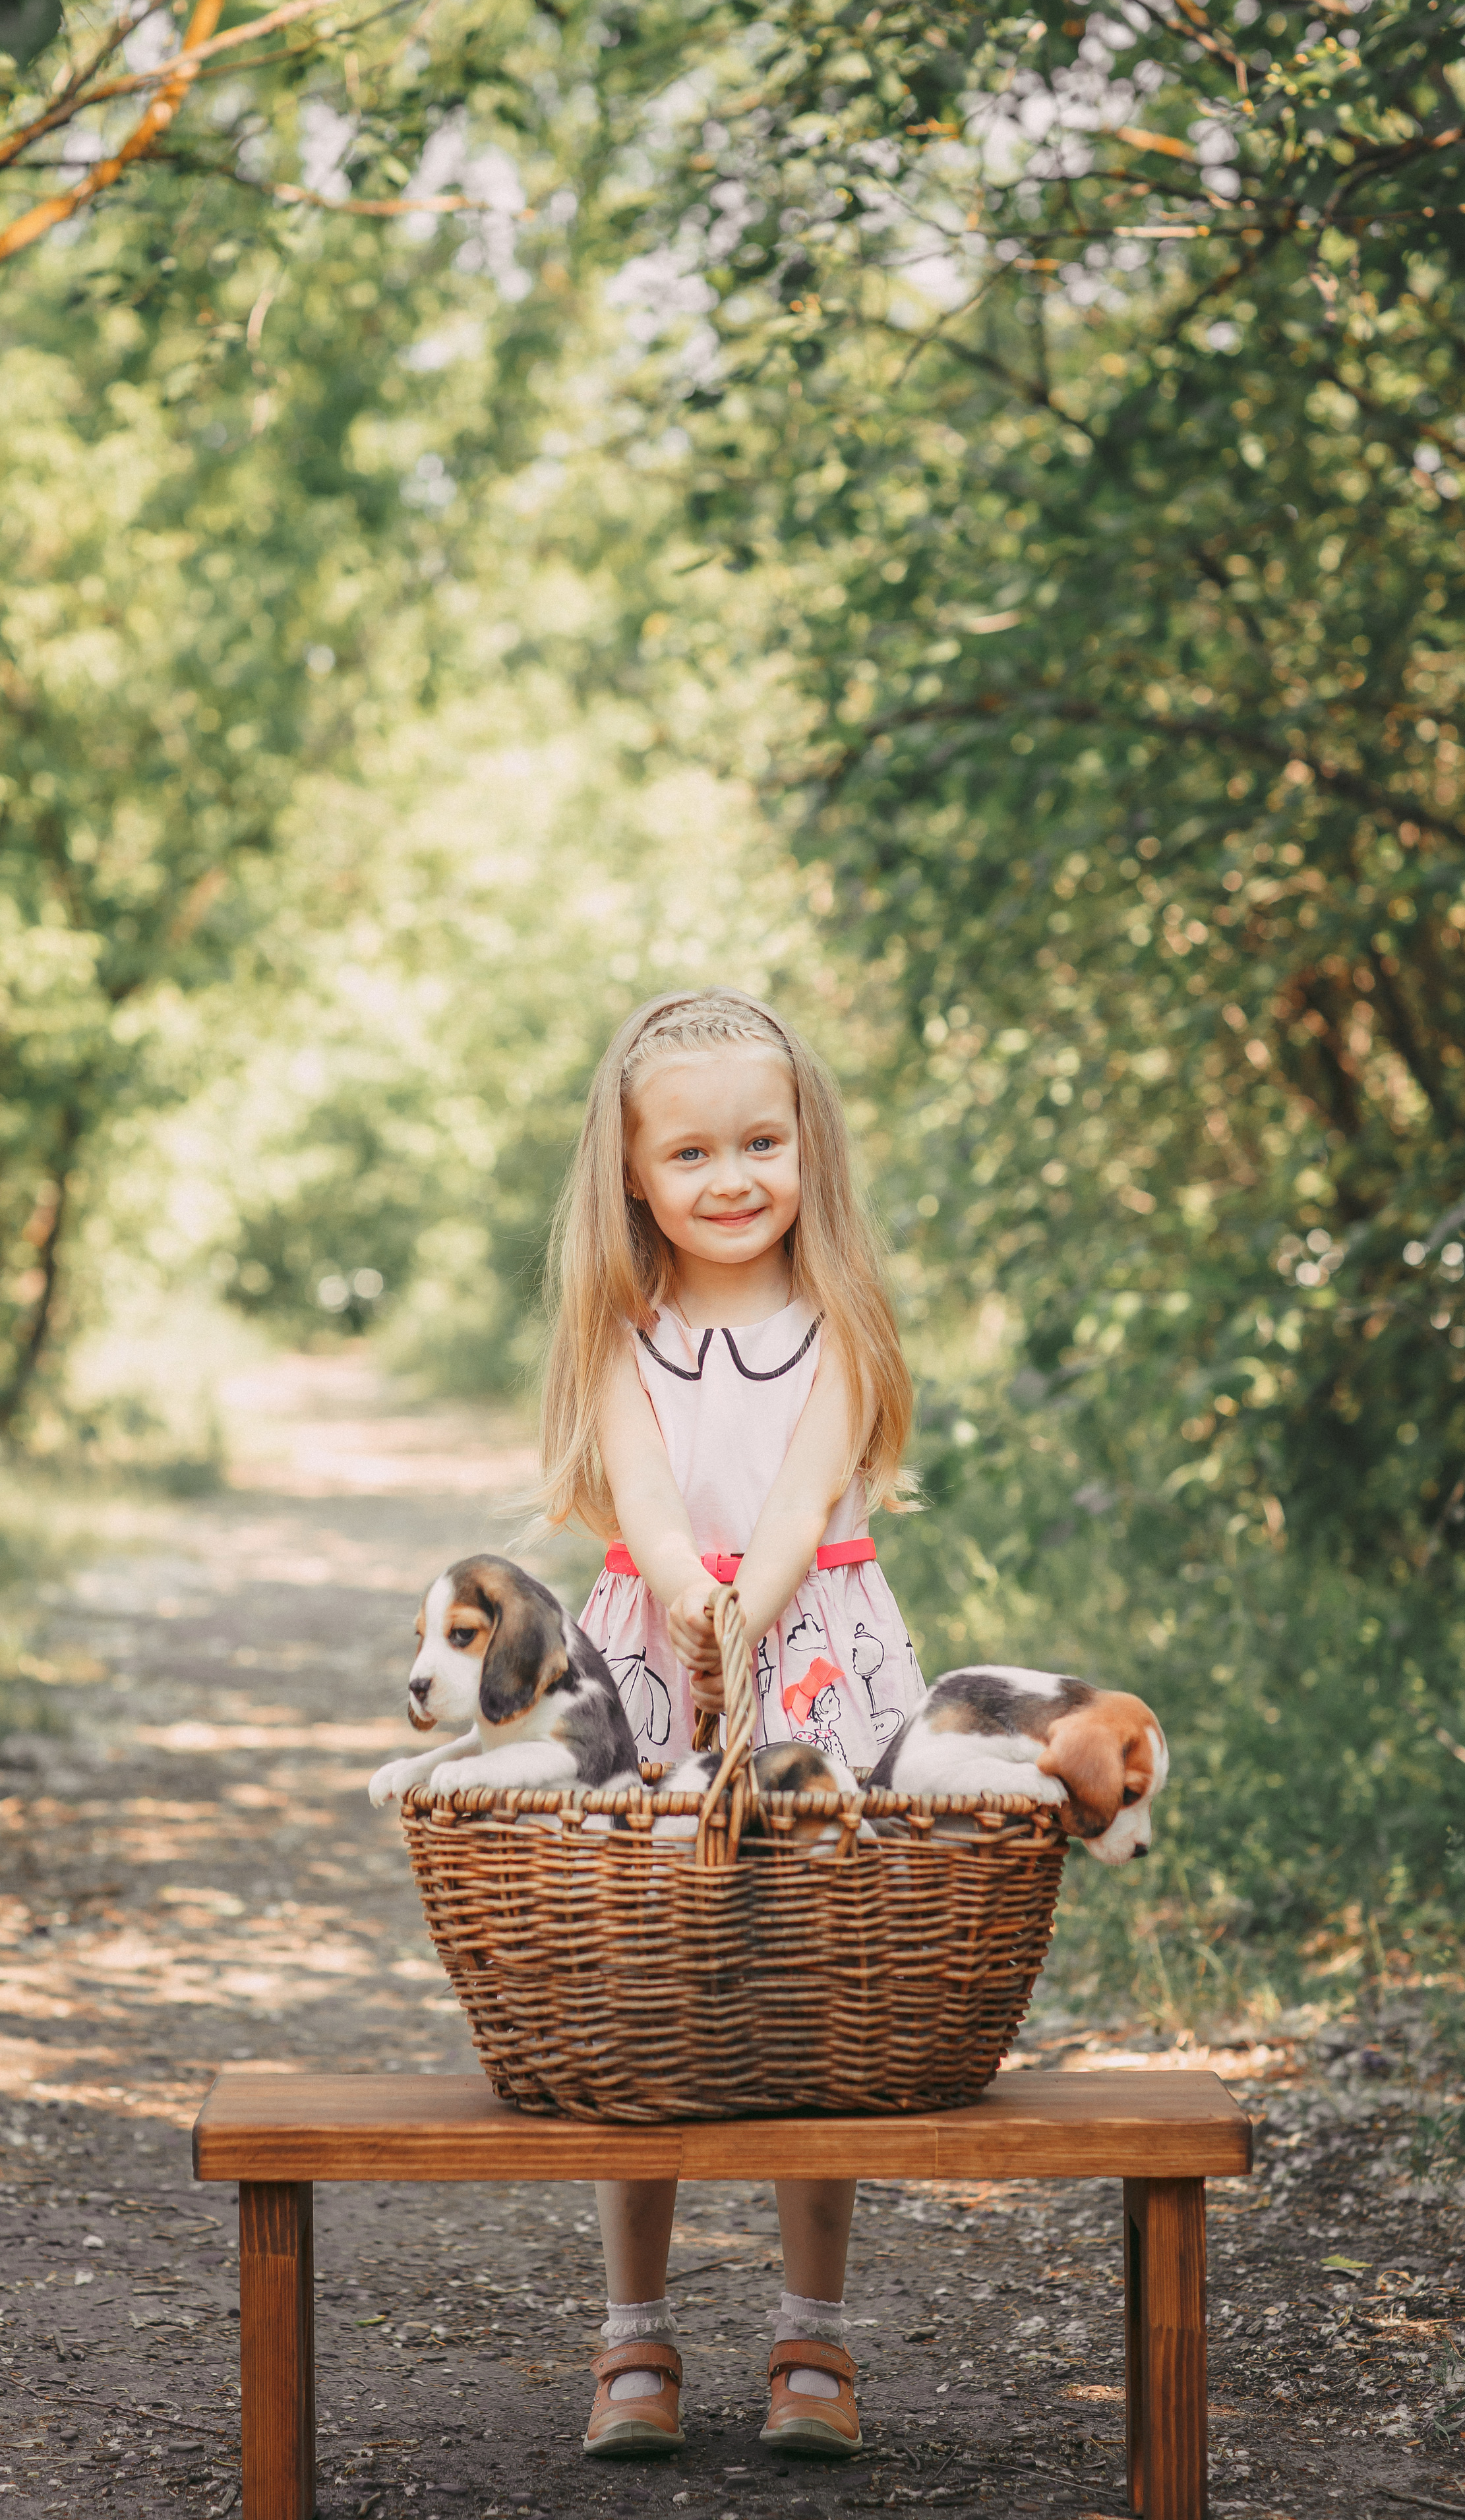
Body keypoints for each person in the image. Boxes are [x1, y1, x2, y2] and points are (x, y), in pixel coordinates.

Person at [537, 986, 926, 2461]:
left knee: (811, 1988)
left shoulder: (837, 1322)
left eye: (760, 1141)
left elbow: (795, 1499)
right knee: (644, 1984)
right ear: (631, 1173)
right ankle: (633, 2335)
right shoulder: (619, 1331)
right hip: (651, 1645)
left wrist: (743, 1608)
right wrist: (686, 1608)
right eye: (689, 1155)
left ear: (806, 1148)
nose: (730, 1178)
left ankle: (810, 2329)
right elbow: (638, 1495)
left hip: (811, 1647)